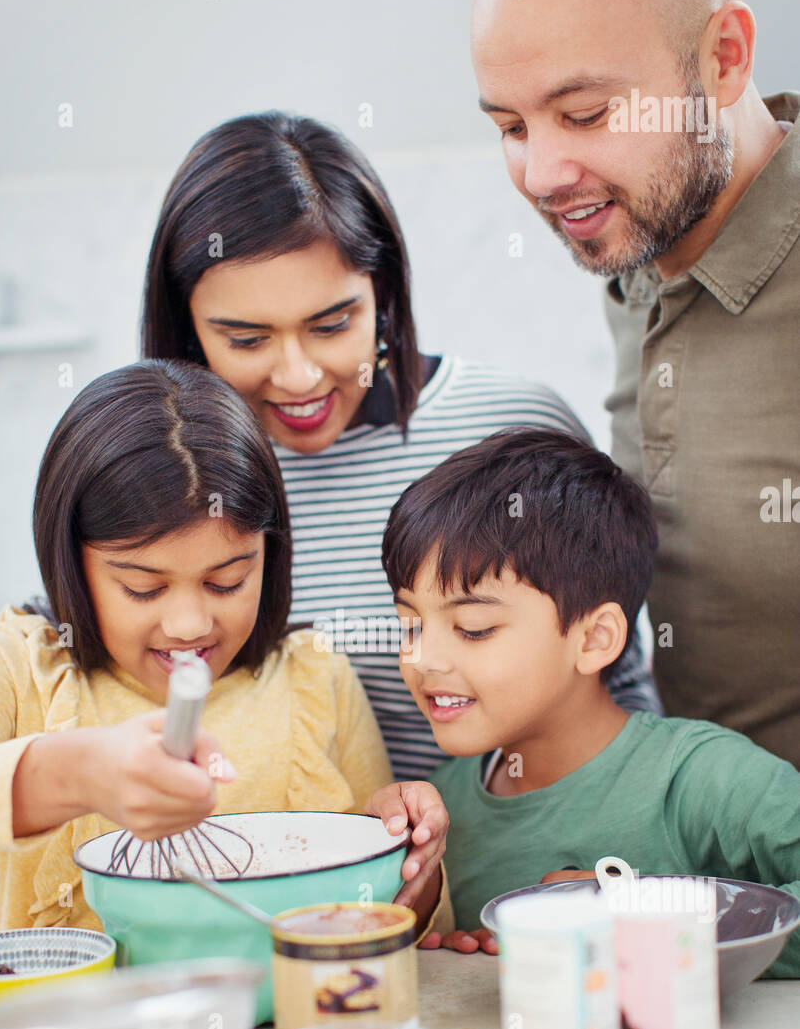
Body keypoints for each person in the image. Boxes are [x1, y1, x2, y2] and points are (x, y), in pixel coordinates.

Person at [140, 110, 661, 783]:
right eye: (246, 340)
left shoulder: (511, 424)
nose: (298, 376)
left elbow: (616, 688)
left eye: (333, 324)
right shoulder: (164, 480)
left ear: (383, 296)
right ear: (187, 329)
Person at [0, 361, 450, 940]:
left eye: (226, 581)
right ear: (70, 562)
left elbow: (389, 917)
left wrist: (412, 863)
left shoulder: (314, 675)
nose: (188, 625)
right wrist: (73, 777)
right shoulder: (15, 667)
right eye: (143, 588)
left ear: (270, 554)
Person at [471, 0, 800, 767]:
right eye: (511, 128)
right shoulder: (641, 252)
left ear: (724, 57)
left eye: (584, 114)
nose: (542, 174)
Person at [381, 426, 800, 977]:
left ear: (595, 638)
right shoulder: (440, 811)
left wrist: (638, 925)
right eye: (409, 625)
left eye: (474, 628)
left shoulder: (699, 777)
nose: (422, 659)